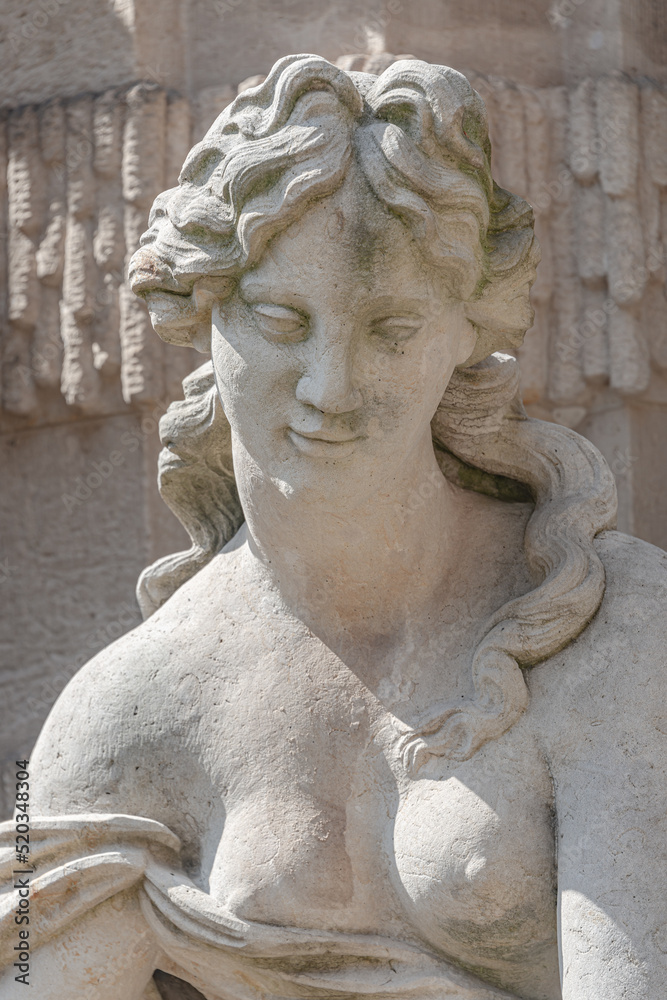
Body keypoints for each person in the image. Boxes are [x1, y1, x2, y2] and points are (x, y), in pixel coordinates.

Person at [1, 55, 664, 1000]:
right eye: (280, 319)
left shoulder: (612, 625)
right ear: (207, 314)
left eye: (390, 330)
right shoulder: (117, 715)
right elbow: (28, 973)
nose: (329, 386)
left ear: (463, 333)